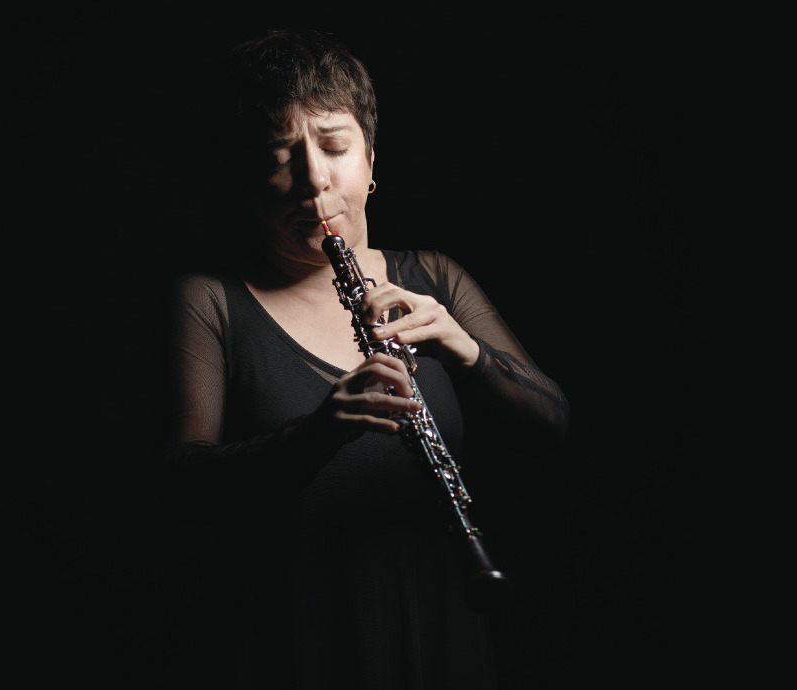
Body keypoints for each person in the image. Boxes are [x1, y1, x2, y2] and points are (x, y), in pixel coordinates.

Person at [155, 28, 569, 689]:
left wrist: (468, 352)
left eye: (334, 147)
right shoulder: (210, 299)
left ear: (371, 162)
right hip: (293, 639)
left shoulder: (436, 277)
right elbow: (180, 485)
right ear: (246, 181)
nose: (313, 180)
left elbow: (549, 425)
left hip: (440, 622)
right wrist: (317, 433)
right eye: (278, 156)